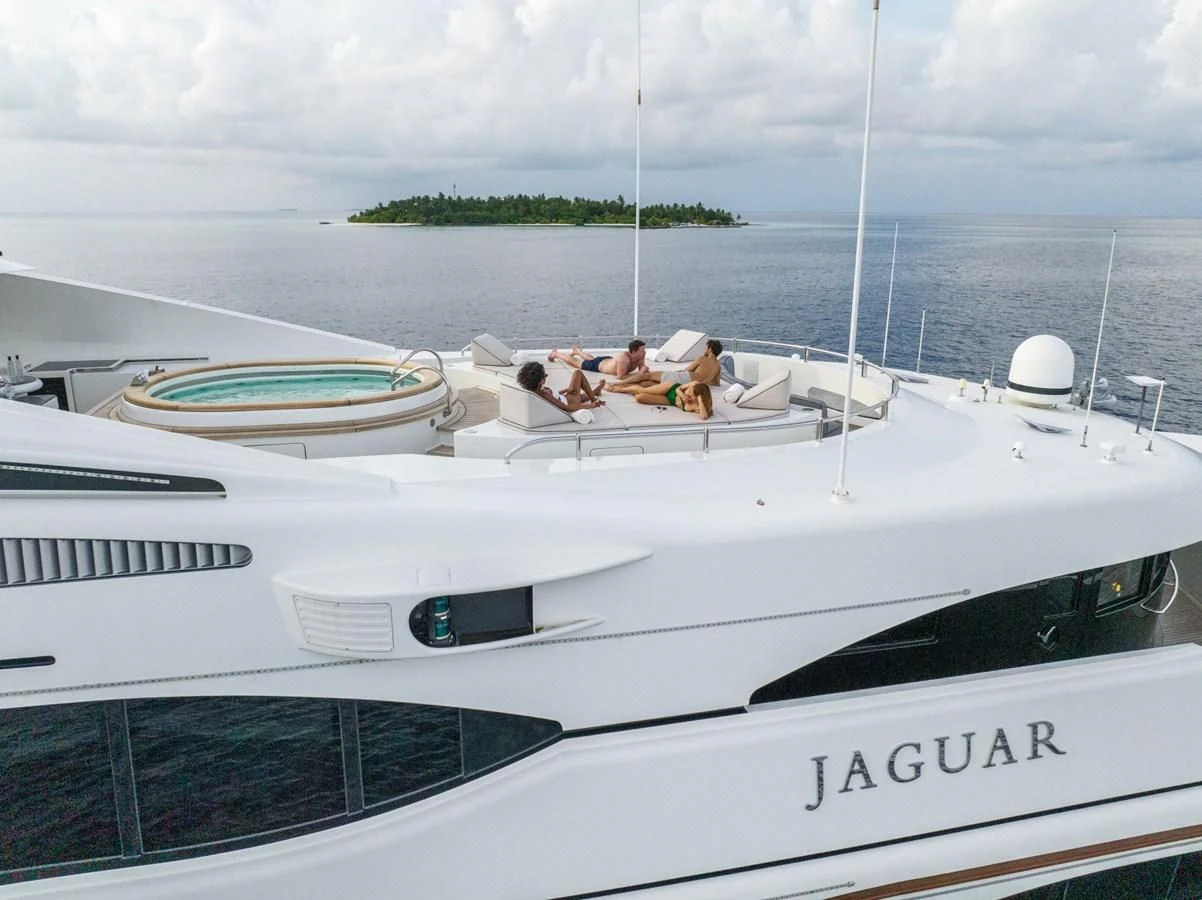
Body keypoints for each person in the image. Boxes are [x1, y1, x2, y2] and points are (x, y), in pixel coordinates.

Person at [604, 338, 723, 390]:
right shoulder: (718, 365)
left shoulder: (702, 359)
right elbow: (716, 383)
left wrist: (673, 373)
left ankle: (614, 385)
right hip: (692, 384)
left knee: (647, 376)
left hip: (684, 377)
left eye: (706, 348)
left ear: (710, 349)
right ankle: (617, 388)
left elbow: (687, 370)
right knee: (648, 384)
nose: (704, 350)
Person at [515, 361, 605, 413]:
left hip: (565, 397)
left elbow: (554, 396)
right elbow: (566, 408)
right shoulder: (544, 395)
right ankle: (594, 397)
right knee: (578, 373)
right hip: (571, 401)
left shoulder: (534, 389)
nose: (547, 376)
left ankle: (597, 391)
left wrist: (565, 390)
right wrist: (590, 405)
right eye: (545, 375)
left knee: (581, 395)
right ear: (541, 380)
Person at [548, 340, 647, 378]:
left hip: (607, 360)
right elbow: (620, 377)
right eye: (642, 350)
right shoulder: (624, 359)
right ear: (634, 352)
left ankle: (577, 352)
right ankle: (556, 354)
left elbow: (643, 370)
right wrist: (639, 373)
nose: (645, 352)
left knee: (591, 358)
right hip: (598, 366)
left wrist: (643, 370)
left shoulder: (640, 357)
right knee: (577, 363)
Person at [617, 380, 713, 420]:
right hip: (671, 389)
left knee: (639, 398)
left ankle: (644, 385)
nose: (689, 396)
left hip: (670, 401)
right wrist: (683, 396)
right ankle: (618, 388)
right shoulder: (695, 384)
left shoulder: (699, 407)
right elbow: (678, 389)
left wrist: (700, 399)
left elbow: (704, 417)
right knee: (643, 390)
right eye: (689, 393)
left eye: (691, 396)